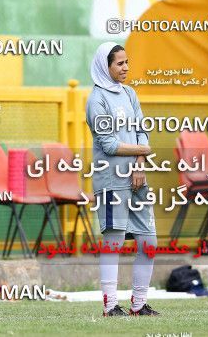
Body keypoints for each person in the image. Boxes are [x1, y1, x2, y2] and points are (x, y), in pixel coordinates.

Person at [86, 42, 159, 317]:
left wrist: (140, 164)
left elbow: (142, 132)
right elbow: (108, 144)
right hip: (111, 180)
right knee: (114, 241)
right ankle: (109, 306)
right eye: (119, 63)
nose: (126, 67)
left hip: (138, 180)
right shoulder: (97, 100)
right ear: (105, 67)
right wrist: (143, 150)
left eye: (127, 62)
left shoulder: (130, 93)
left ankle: (139, 305)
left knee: (148, 242)